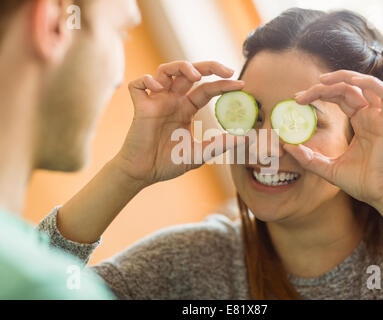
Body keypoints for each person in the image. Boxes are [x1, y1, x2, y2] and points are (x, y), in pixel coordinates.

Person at [38, 8, 383, 299]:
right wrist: (127, 172)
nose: (265, 145)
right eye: (250, 115)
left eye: (301, 121)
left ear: (363, 135)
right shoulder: (191, 265)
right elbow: (23, 285)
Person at [0, 0, 241, 299]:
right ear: (54, 23)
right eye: (120, 33)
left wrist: (128, 172)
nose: (118, 80)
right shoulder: (43, 287)